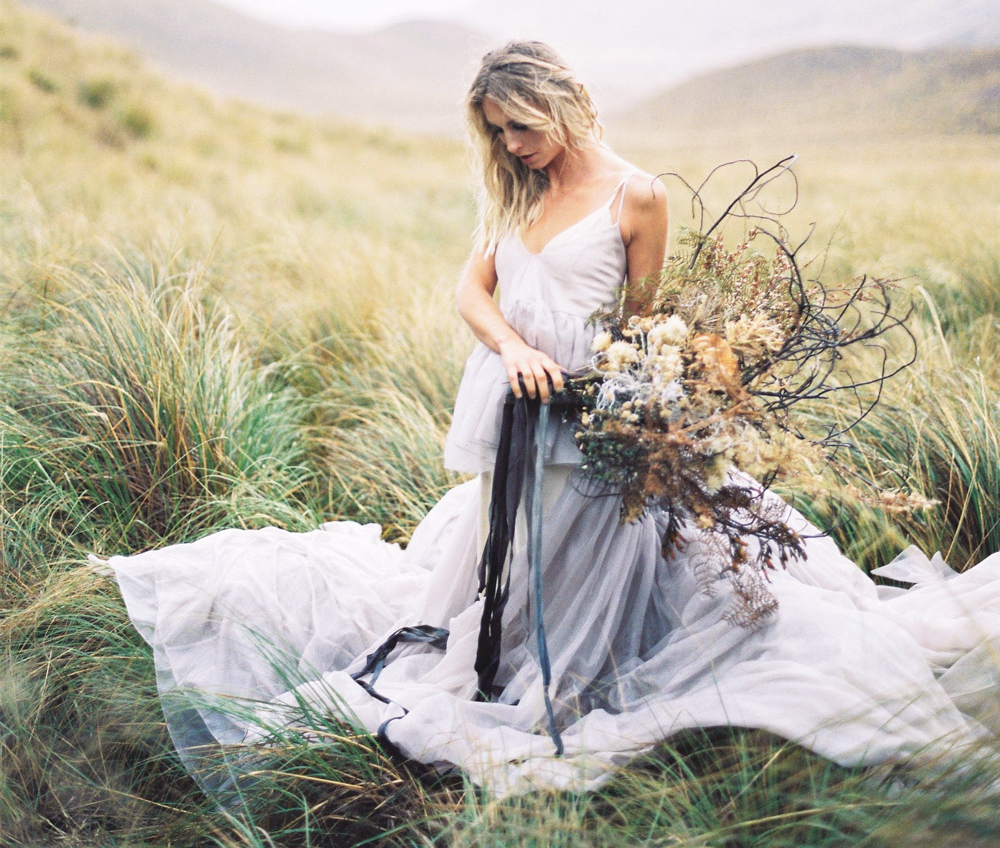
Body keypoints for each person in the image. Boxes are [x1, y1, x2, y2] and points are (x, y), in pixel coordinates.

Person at [92, 40, 1000, 798]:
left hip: (593, 420)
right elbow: (471, 290)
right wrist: (511, 348)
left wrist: (626, 406)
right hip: (515, 413)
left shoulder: (635, 194)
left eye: (522, 125)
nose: (514, 144)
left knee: (587, 578)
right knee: (504, 563)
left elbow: (644, 326)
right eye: (497, 131)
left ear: (564, 103)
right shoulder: (515, 193)